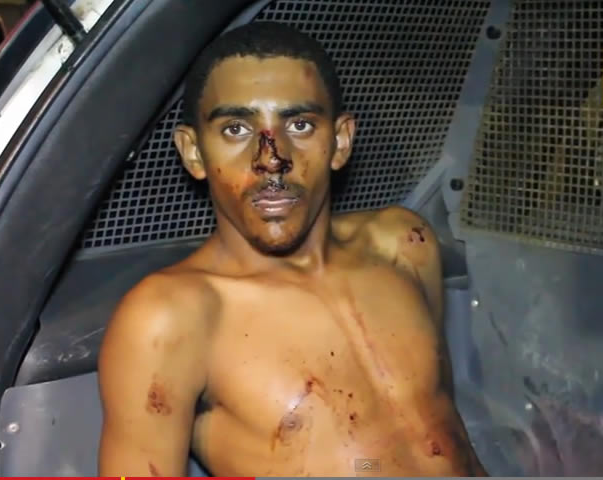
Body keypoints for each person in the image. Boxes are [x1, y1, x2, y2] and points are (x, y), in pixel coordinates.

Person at [97, 21, 487, 477]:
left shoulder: (403, 245)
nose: (271, 159)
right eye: (236, 129)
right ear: (194, 152)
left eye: (300, 125)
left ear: (340, 141)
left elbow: (443, 436)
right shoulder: (170, 319)